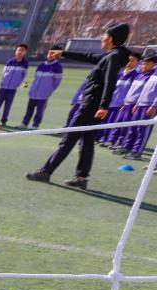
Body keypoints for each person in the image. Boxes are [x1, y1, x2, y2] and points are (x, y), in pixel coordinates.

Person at [26, 23, 131, 189]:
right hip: (94, 106)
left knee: (68, 139)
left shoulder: (113, 57)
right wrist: (64, 53)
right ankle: (82, 177)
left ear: (110, 38)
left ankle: (46, 171)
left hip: (91, 105)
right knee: (87, 141)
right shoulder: (113, 55)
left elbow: (110, 82)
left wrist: (103, 106)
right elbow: (90, 57)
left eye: (104, 35)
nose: (102, 38)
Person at [116, 52, 157, 159]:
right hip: (140, 105)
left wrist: (154, 105)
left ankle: (137, 152)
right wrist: (137, 103)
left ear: (153, 64)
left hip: (149, 106)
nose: (144, 65)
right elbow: (144, 90)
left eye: (147, 63)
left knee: (142, 130)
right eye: (144, 63)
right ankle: (127, 147)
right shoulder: (154, 73)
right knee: (133, 127)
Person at [99, 52, 139, 146]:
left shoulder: (136, 76)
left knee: (116, 123)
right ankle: (102, 137)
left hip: (122, 104)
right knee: (105, 120)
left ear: (137, 62)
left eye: (132, 61)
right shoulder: (119, 74)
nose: (129, 63)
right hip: (111, 102)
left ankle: (111, 140)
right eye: (128, 60)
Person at [20, 45, 64, 129]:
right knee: (29, 109)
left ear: (58, 55)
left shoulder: (58, 67)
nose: (51, 55)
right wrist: (32, 88)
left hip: (44, 94)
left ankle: (35, 125)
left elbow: (57, 82)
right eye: (50, 53)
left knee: (40, 111)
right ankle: (24, 124)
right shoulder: (41, 65)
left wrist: (49, 90)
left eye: (54, 53)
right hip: (33, 92)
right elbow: (35, 78)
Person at [0, 44, 28, 127]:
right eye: (19, 50)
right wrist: (3, 81)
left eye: (22, 50)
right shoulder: (10, 61)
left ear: (25, 52)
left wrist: (17, 84)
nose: (20, 52)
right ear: (16, 51)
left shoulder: (25, 63)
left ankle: (4, 120)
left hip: (12, 88)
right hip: (3, 86)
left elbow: (23, 75)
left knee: (8, 105)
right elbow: (4, 72)